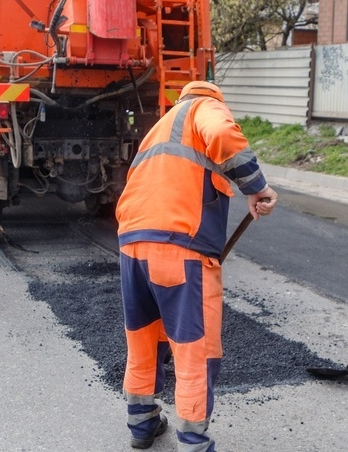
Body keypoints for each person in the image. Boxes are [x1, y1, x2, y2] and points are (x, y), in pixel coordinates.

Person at [115, 81, 278, 451]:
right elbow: (222, 133)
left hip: (133, 247)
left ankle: (141, 425)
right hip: (180, 248)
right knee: (194, 348)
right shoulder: (207, 108)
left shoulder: (161, 126)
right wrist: (257, 187)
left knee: (143, 340)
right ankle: (193, 441)